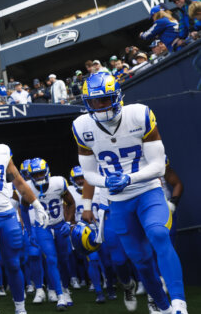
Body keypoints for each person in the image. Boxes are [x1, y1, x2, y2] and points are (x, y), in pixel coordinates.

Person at [73, 73, 187, 314]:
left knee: (158, 234)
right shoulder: (82, 127)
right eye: (94, 101)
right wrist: (106, 181)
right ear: (87, 102)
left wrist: (129, 178)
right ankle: (163, 307)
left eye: (105, 99)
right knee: (141, 260)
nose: (100, 106)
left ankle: (179, 304)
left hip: (147, 191)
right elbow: (89, 175)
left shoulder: (139, 115)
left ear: (117, 97)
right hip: (118, 202)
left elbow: (158, 165)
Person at [0, 116, 49, 314]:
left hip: (6, 214)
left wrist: (36, 204)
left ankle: (20, 307)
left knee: (14, 264)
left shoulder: (3, 151)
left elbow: (19, 182)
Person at [24, 158, 75, 309]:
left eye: (41, 173)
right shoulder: (28, 188)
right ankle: (60, 296)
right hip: (42, 227)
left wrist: (68, 222)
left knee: (64, 260)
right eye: (36, 174)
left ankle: (65, 288)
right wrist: (29, 231)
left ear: (46, 172)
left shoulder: (59, 182)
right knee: (51, 260)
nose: (39, 177)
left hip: (60, 224)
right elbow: (24, 209)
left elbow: (71, 203)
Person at [67, 167, 106, 304]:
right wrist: (72, 225)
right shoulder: (70, 192)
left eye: (81, 177)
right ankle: (98, 291)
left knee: (108, 261)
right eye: (77, 178)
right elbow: (68, 210)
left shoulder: (99, 188)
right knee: (93, 259)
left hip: (102, 227)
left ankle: (111, 288)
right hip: (85, 232)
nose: (80, 180)